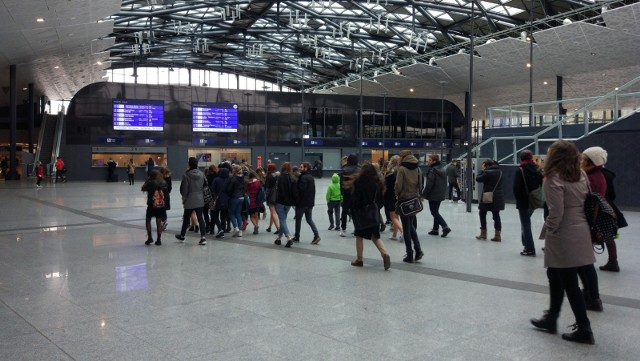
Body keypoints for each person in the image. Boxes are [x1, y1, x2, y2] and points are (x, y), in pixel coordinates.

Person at [530, 140, 595, 345]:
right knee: (555, 274)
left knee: (568, 281)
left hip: (563, 233)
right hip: (581, 229)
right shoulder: (581, 174)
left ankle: (584, 327)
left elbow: (556, 213)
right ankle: (551, 317)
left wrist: (549, 232)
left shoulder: (553, 178)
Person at [578, 146, 607, 311]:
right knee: (583, 263)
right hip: (588, 224)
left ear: (591, 162)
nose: (580, 162)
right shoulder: (595, 175)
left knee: (585, 263)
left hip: (586, 224)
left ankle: (593, 297)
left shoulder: (592, 179)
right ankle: (589, 293)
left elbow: (587, 204)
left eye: (583, 159)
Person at [347, 163, 391, 270]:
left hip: (361, 213)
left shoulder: (358, 182)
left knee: (359, 236)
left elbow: (355, 199)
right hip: (373, 211)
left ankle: (359, 259)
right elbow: (381, 198)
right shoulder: (377, 183)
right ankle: (384, 253)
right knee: (375, 236)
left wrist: (353, 209)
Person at [513, 150, 544, 256]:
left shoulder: (520, 170)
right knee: (525, 223)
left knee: (525, 224)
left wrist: (517, 198)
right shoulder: (537, 169)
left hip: (523, 201)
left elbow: (516, 188)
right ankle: (526, 244)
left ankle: (530, 248)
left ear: (521, 158)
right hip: (534, 199)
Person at [395, 150, 424, 263]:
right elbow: (421, 184)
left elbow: (398, 185)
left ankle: (410, 254)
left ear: (404, 157)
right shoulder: (418, 168)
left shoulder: (402, 169)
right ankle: (418, 250)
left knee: (406, 228)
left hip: (404, 200)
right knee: (410, 225)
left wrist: (396, 194)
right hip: (414, 200)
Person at [175, 157, 207, 245]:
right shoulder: (201, 174)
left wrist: (184, 199)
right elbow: (205, 186)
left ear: (189, 164)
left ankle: (182, 236)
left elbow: (184, 189)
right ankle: (203, 238)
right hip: (200, 198)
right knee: (200, 218)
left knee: (186, 218)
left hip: (189, 199)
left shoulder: (186, 175)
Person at [474, 159, 504, 242]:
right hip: (498, 197)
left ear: (487, 166)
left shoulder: (487, 173)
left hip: (487, 196)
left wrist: (481, 171)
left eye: (483, 166)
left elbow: (478, 179)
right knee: (496, 215)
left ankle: (483, 233)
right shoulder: (500, 172)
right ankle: (497, 235)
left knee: (482, 213)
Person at [422, 154, 451, 238]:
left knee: (434, 212)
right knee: (436, 211)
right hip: (440, 193)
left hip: (433, 194)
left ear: (434, 161)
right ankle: (435, 229)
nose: (428, 162)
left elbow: (429, 184)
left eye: (430, 160)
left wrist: (424, 195)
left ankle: (445, 226)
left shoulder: (433, 171)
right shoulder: (442, 169)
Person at [293, 162, 321, 244]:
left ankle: (297, 237)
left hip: (302, 203)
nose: (299, 168)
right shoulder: (311, 177)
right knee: (309, 219)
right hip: (310, 203)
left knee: (298, 220)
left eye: (301, 167)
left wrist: (297, 199)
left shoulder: (303, 178)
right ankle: (316, 235)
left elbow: (301, 190)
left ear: (306, 168)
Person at [141, 169, 168, 246]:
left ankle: (150, 238)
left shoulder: (150, 182)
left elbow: (143, 188)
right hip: (161, 205)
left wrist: (147, 181)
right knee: (158, 221)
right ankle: (159, 240)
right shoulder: (164, 182)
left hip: (151, 204)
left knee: (148, 220)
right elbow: (166, 194)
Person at [274, 162, 296, 248]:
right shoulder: (292, 177)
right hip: (288, 203)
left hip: (280, 202)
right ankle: (279, 238)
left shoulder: (279, 177)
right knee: (283, 220)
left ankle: (288, 237)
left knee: (282, 220)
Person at [339, 154, 359, 237]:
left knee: (344, 212)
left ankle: (343, 229)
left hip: (347, 195)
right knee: (355, 212)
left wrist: (343, 193)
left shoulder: (344, 170)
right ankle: (357, 228)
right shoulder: (359, 170)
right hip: (357, 195)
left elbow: (342, 184)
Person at [384, 156, 403, 241]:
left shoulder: (390, 174)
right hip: (399, 196)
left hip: (391, 196)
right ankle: (394, 234)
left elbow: (386, 187)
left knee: (393, 217)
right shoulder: (401, 171)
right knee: (396, 216)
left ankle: (402, 231)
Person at [226, 164, 247, 237]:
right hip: (242, 197)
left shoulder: (233, 178)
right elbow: (245, 188)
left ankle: (235, 228)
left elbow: (229, 189)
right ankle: (240, 231)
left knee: (230, 213)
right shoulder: (244, 178)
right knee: (238, 214)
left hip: (234, 197)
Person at [211, 165, 231, 238]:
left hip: (218, 199)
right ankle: (223, 229)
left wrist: (214, 198)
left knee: (215, 215)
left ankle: (220, 229)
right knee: (223, 216)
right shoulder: (229, 180)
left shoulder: (216, 179)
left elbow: (212, 190)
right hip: (226, 200)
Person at [264, 163, 280, 234]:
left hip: (271, 196)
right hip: (278, 196)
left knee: (273, 212)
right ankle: (270, 227)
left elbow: (267, 188)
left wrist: (265, 197)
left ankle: (278, 228)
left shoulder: (269, 176)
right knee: (273, 212)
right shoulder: (278, 175)